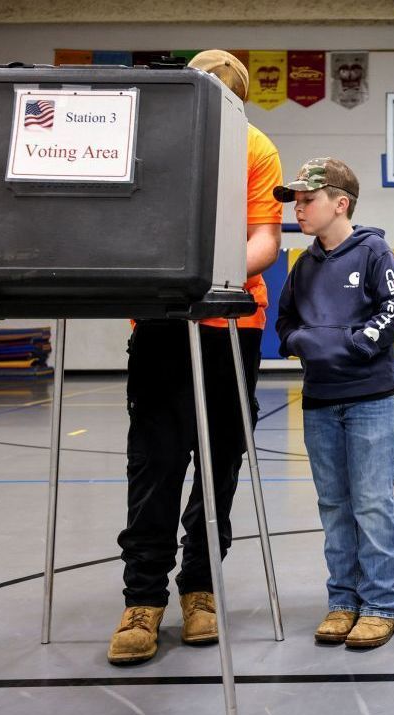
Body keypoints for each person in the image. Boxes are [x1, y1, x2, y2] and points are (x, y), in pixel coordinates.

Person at [107, 50, 284, 665]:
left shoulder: (256, 148)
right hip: (160, 325)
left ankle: (200, 588)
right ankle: (143, 600)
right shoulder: (150, 141)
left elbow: (265, 238)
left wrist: (205, 276)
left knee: (220, 461)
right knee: (154, 462)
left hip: (233, 323)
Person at [274, 157, 394, 648]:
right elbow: (285, 320)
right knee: (334, 505)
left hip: (370, 399)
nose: (298, 209)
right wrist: (299, 343)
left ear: (340, 203)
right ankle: (342, 601)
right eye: (295, 200)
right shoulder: (303, 265)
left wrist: (354, 345)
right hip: (319, 401)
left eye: (307, 200)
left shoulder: (373, 252)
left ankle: (381, 604)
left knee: (372, 503)